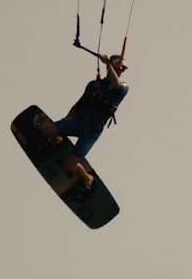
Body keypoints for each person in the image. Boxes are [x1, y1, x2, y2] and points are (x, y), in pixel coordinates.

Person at [42, 53, 128, 196]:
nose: (119, 71)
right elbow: (77, 105)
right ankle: (56, 140)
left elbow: (116, 83)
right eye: (117, 68)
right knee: (47, 131)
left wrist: (108, 64)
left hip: (91, 131)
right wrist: (64, 124)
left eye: (121, 69)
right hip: (78, 121)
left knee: (70, 165)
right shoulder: (93, 85)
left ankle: (87, 178)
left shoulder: (122, 88)